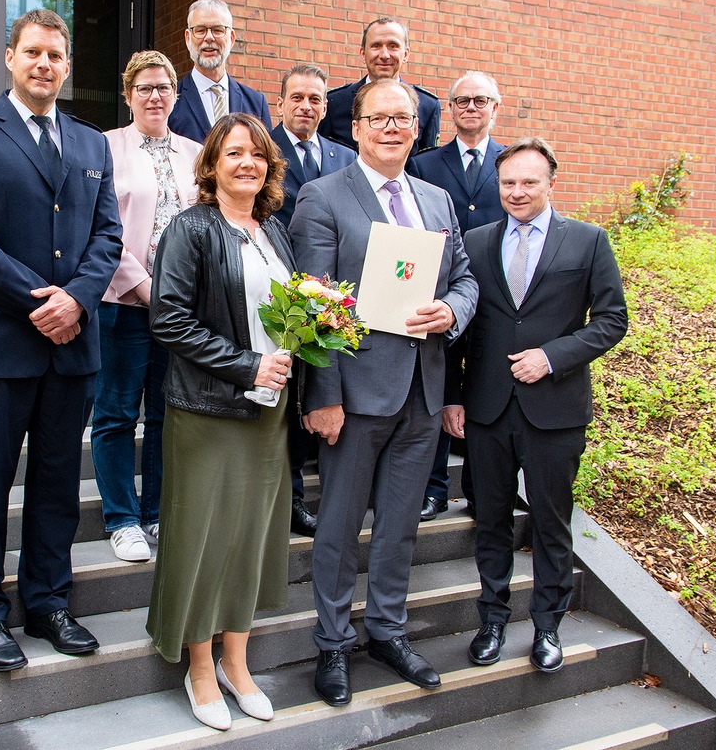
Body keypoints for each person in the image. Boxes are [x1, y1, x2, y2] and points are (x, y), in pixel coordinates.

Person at [0, 9, 122, 673]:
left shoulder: (91, 144)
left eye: (56, 55)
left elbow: (108, 237)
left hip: (72, 346)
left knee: (53, 483)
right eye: (34, 52)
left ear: (67, 67)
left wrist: (77, 296)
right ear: (10, 57)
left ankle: (47, 601)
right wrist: (41, 300)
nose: (45, 64)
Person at [290, 79, 477, 707]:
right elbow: (312, 303)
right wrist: (322, 395)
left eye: (403, 118)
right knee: (340, 527)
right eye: (379, 118)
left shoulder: (436, 199)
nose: (393, 127)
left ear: (417, 128)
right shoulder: (321, 198)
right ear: (359, 127)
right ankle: (333, 642)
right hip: (354, 392)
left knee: (399, 525)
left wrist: (451, 310)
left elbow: (466, 279)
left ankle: (388, 631)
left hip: (422, 391)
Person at [442, 137, 627, 674]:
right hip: (487, 409)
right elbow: (462, 329)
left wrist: (552, 356)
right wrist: (455, 397)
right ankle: (492, 620)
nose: (517, 192)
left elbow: (612, 320)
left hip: (555, 409)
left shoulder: (588, 242)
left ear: (550, 183)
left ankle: (548, 626)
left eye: (528, 182)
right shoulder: (475, 242)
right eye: (508, 183)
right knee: (491, 521)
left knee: (551, 523)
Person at [147, 113, 295, 730]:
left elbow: (293, 310)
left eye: (257, 154)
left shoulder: (274, 232)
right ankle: (200, 666)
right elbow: (169, 319)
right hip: (208, 409)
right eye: (234, 153)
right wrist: (246, 366)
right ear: (211, 164)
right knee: (203, 537)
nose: (247, 163)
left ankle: (238, 662)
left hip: (269, 414)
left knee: (250, 538)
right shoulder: (192, 228)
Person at [96, 52, 202, 562]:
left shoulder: (197, 153)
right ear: (128, 94)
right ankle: (122, 519)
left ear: (176, 95)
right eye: (144, 88)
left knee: (165, 413)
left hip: (182, 309)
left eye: (163, 87)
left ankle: (158, 512)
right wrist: (144, 288)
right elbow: (99, 230)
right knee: (116, 413)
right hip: (123, 301)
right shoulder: (105, 148)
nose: (155, 95)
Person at [409, 71, 507, 522]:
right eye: (462, 101)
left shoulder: (511, 164)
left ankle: (478, 485)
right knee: (438, 386)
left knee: (484, 385)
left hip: (496, 296)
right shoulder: (426, 163)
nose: (471, 107)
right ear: (449, 109)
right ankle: (432, 486)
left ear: (495, 107)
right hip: (439, 291)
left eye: (480, 100)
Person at [268, 62, 356, 537]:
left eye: (315, 99)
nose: (306, 106)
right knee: (288, 404)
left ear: (326, 106)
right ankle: (291, 500)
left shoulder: (345, 158)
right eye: (297, 97)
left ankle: (331, 500)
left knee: (323, 395)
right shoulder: (264, 152)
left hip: (337, 299)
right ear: (279, 103)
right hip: (279, 292)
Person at [318, 18, 440, 156]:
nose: (384, 55)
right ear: (363, 54)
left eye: (393, 46)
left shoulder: (427, 106)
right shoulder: (335, 103)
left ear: (405, 54)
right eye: (376, 46)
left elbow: (426, 163)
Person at [168, 0, 272, 144]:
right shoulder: (170, 100)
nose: (209, 38)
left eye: (218, 30)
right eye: (200, 30)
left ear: (231, 38)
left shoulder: (256, 103)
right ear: (187, 38)